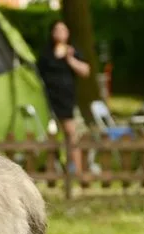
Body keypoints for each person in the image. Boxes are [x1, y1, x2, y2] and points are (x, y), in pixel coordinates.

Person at [37, 20, 90, 174]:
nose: (60, 33)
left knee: (71, 134)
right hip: (49, 100)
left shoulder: (72, 52)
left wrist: (70, 59)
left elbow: (85, 71)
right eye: (57, 30)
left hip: (66, 99)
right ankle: (51, 169)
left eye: (63, 30)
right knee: (51, 135)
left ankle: (77, 171)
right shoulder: (46, 53)